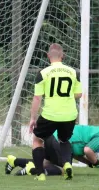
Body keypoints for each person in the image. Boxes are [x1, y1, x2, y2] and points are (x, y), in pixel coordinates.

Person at [29, 43, 83, 181]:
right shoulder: (72, 72)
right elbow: (79, 94)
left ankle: (40, 174)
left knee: (37, 139)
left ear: (48, 56)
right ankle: (67, 165)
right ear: (62, 56)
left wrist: (33, 118)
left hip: (50, 114)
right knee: (64, 140)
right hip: (69, 114)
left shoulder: (43, 73)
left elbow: (37, 98)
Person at [6, 117, 99, 176]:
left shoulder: (96, 130)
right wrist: (96, 163)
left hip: (53, 137)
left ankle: (14, 161)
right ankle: (31, 169)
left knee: (45, 163)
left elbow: (75, 153)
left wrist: (88, 163)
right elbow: (88, 150)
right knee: (63, 169)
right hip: (61, 142)